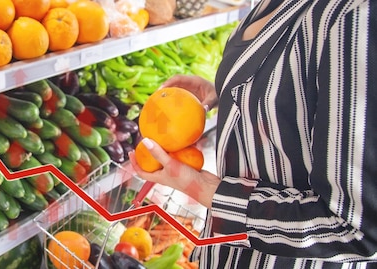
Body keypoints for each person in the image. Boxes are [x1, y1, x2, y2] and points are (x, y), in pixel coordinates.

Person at [128, 0, 377, 267]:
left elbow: (355, 228)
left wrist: (205, 190)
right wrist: (229, 94)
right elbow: (299, 97)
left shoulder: (354, 14)